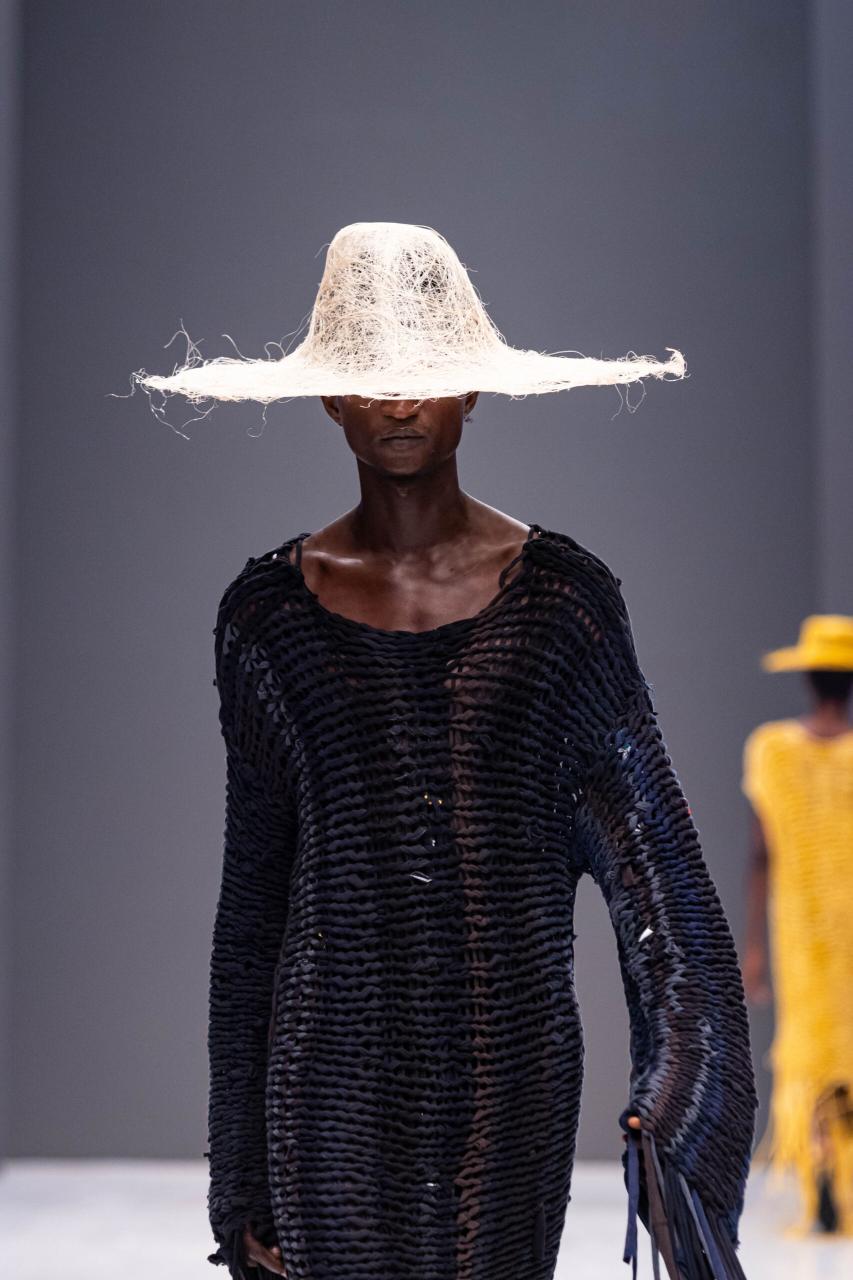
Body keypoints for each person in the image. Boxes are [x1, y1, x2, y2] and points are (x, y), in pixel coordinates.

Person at [136, 223, 756, 1279]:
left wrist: (680, 1094)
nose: (399, 403)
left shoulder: (563, 606)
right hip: (324, 1075)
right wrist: (239, 1175)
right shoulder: (266, 619)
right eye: (370, 375)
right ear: (328, 398)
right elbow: (254, 905)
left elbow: (653, 862)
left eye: (426, 375)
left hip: (510, 1072)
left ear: (474, 390)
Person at [741, 615, 853, 1236]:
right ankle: (838, 1175)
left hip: (802, 929)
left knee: (811, 1052)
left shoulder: (773, 749)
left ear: (808, 679)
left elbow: (761, 853)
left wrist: (754, 946)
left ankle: (824, 1165)